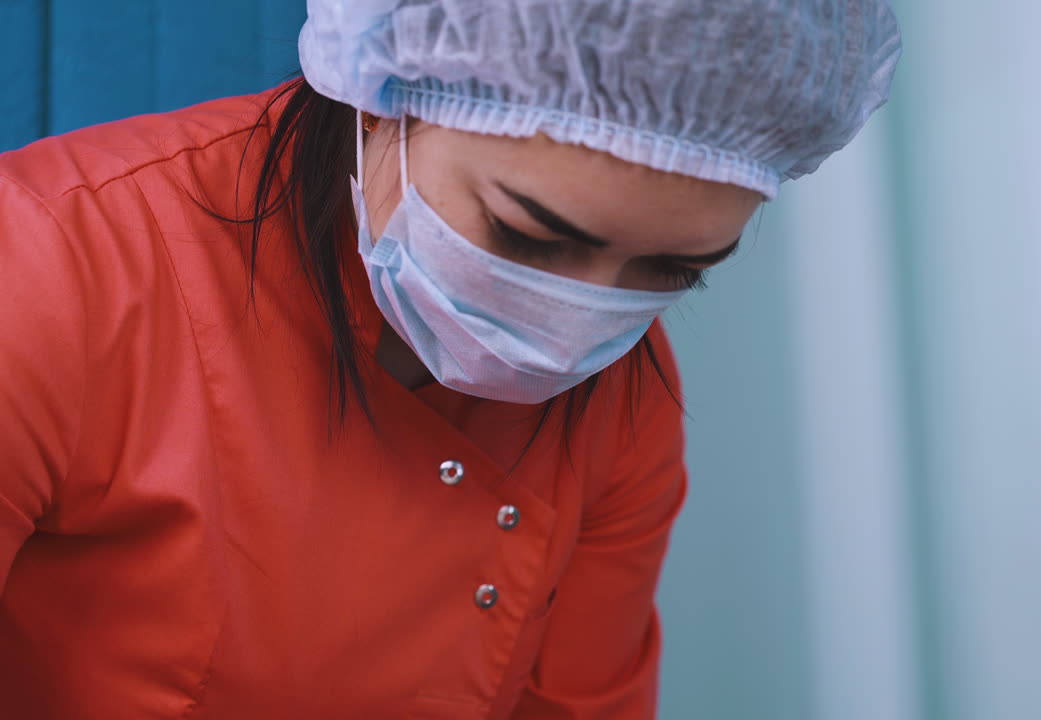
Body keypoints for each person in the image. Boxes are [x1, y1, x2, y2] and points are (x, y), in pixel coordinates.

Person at [0, 1, 900, 717]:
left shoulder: (623, 400)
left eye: (669, 270)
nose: (570, 322)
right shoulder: (51, 270)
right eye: (523, 234)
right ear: (383, 92)